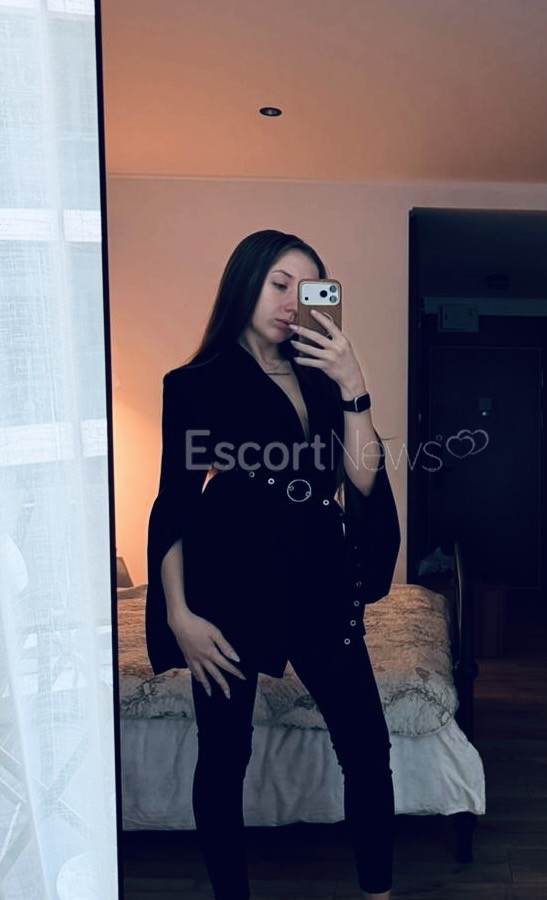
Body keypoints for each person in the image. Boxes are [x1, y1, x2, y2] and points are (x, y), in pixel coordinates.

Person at [145, 229, 401, 900]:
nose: (292, 303)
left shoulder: (322, 377)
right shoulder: (194, 383)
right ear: (245, 283)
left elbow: (361, 480)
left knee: (367, 749)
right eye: (278, 284)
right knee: (225, 757)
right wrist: (179, 615)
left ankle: (378, 894)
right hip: (227, 586)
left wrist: (354, 388)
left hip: (320, 580)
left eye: (307, 289)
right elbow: (174, 505)